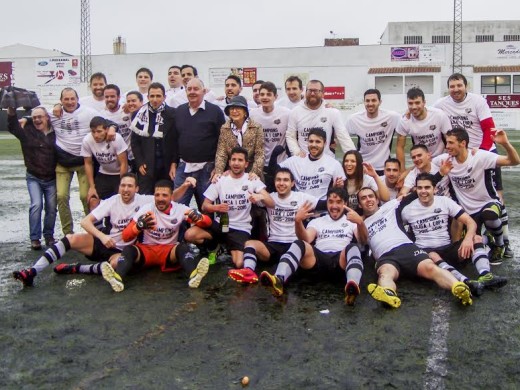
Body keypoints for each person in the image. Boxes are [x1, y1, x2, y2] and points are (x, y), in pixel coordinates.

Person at [12, 173, 151, 286]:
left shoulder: (144, 200)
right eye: (123, 185)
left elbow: (170, 197)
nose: (126, 189)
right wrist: (102, 237)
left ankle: (77, 268)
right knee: (71, 239)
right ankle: (32, 272)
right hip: (106, 242)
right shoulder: (113, 200)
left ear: (137, 189)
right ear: (119, 187)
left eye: (130, 186)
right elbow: (85, 222)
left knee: (115, 265)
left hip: (124, 251)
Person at [434, 72, 512, 257]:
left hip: (482, 153)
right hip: (460, 155)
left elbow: (489, 128)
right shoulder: (441, 104)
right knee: (462, 194)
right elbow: (428, 114)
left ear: (466, 86)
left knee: (496, 196)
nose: (456, 89)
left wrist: (481, 151)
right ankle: (474, 235)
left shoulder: (478, 101)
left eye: (459, 85)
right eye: (452, 86)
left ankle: (505, 242)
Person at [358, 187, 473, 308]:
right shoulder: (359, 223)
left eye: (370, 196)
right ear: (360, 205)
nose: (368, 200)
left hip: (405, 247)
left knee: (430, 267)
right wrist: (360, 223)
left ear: (377, 200)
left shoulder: (390, 206)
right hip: (385, 256)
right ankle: (389, 294)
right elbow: (362, 241)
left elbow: (413, 194)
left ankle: (458, 287)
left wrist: (439, 174)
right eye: (363, 198)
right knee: (385, 274)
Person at [400, 173, 507, 296]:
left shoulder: (445, 202)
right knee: (433, 255)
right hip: (426, 254)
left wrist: (467, 239)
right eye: (420, 188)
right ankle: (466, 282)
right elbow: (397, 230)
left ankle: (485, 275)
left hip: (447, 248)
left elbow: (470, 222)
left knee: (476, 238)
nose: (423, 191)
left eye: (427, 187)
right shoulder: (408, 210)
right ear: (415, 189)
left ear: (434, 189)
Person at [260, 187, 367, 306]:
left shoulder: (351, 220)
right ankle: (279, 279)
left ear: (345, 204)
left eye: (338, 202)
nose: (334, 206)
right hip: (319, 260)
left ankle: (352, 286)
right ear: (326, 203)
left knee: (353, 247)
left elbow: (363, 241)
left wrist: (360, 223)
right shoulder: (318, 221)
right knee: (299, 244)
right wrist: (298, 222)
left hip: (340, 261)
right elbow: (306, 238)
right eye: (330, 202)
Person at [100, 179, 213, 292]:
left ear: (171, 196)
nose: (160, 199)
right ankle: (117, 278)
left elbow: (208, 222)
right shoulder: (146, 209)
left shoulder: (179, 209)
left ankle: (194, 275)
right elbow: (125, 236)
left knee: (183, 248)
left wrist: (199, 218)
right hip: (147, 250)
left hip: (168, 251)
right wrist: (138, 227)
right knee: (129, 249)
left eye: (164, 195)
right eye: (157, 195)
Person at [433, 127, 520, 263]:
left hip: (488, 203)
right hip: (468, 212)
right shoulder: (445, 160)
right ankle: (488, 239)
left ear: (463, 143)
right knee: (468, 246)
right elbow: (423, 164)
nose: (447, 146)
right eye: (447, 142)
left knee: (489, 215)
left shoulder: (479, 156)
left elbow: (514, 161)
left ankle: (499, 244)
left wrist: (505, 143)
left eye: (451, 143)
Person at [185, 147, 273, 267]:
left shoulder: (252, 180)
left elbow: (272, 203)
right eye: (233, 159)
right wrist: (217, 208)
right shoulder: (221, 179)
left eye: (240, 160)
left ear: (246, 164)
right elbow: (205, 206)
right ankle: (214, 247)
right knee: (189, 235)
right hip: (221, 224)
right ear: (229, 162)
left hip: (240, 228)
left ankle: (226, 248)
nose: (236, 163)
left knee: (239, 263)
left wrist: (260, 197)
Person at [227, 168, 318, 284]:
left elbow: (325, 204)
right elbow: (244, 193)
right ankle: (248, 272)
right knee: (250, 244)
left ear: (292, 183)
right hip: (274, 244)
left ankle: (280, 279)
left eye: (286, 180)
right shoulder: (270, 197)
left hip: (294, 244)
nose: (281, 183)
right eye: (278, 180)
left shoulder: (302, 197)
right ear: (274, 182)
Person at [51, 87, 106, 235]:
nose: (69, 102)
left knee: (85, 196)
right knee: (61, 196)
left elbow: (105, 123)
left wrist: (112, 128)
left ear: (77, 99)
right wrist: (25, 119)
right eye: (66, 99)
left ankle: (92, 230)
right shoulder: (54, 114)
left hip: (83, 162)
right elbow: (37, 116)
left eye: (72, 99)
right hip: (63, 163)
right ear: (61, 101)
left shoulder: (88, 112)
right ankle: (68, 233)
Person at [166, 78, 225, 208]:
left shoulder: (215, 111)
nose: (192, 92)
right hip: (183, 169)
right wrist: (173, 163)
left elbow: (223, 142)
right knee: (177, 208)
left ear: (203, 91)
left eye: (196, 89)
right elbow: (174, 140)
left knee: (207, 210)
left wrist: (218, 166)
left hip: (208, 170)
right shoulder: (179, 111)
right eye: (189, 89)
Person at [7, 106, 57, 249]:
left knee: (52, 208)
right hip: (34, 176)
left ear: (47, 117)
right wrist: (11, 112)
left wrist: (27, 118)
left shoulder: (56, 132)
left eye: (40, 117)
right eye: (34, 117)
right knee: (36, 205)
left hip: (52, 177)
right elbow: (13, 127)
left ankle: (49, 236)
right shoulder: (27, 132)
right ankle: (35, 239)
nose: (37, 120)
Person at [286, 79, 355, 157]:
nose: (312, 93)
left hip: (327, 160)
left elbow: (344, 137)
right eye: (309, 90)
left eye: (316, 91)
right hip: (303, 161)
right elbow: (290, 136)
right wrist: (297, 152)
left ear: (322, 94)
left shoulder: (332, 112)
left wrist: (354, 157)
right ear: (305, 92)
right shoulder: (295, 112)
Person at [280, 128, 345, 209]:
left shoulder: (334, 164)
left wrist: (337, 187)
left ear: (325, 143)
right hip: (298, 209)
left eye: (318, 142)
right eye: (311, 141)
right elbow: (275, 171)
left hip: (322, 210)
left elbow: (341, 192)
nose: (314, 145)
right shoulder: (296, 160)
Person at [130, 82, 176, 194]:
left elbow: (176, 141)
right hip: (146, 165)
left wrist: (174, 163)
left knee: (165, 197)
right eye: (152, 96)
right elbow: (135, 142)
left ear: (164, 97)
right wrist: (139, 162)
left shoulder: (172, 113)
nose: (155, 99)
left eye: (158, 96)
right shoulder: (139, 114)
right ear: (148, 97)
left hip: (166, 164)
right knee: (145, 198)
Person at [346, 89, 400, 175]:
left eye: (374, 100)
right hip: (363, 166)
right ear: (364, 102)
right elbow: (343, 139)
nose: (370, 104)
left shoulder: (392, 117)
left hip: (384, 167)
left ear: (380, 102)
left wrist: (409, 113)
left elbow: (407, 124)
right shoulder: (354, 119)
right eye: (367, 101)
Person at [396, 87, 452, 170]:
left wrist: (450, 158)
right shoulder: (405, 121)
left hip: (441, 158)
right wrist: (401, 170)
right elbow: (399, 147)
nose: (414, 107)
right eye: (410, 103)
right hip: (421, 161)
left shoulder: (439, 115)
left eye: (417, 103)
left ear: (424, 102)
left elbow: (450, 139)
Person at [249, 81, 291, 191]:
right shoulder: (253, 114)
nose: (265, 97)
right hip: (261, 164)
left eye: (269, 94)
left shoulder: (286, 113)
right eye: (262, 94)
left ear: (275, 97)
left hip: (281, 163)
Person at [213, 95, 265, 180]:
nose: (234, 111)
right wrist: (218, 172)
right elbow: (221, 153)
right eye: (232, 109)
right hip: (232, 172)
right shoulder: (225, 128)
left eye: (238, 108)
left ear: (245, 112)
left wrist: (254, 172)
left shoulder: (256, 127)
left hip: (252, 172)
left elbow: (260, 153)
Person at [81, 116, 128, 201]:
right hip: (104, 172)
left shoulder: (116, 138)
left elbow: (124, 163)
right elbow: (88, 163)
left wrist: (122, 184)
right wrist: (92, 187)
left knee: (119, 200)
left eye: (99, 132)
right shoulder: (87, 140)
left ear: (106, 130)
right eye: (93, 132)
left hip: (119, 173)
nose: (96, 135)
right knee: (93, 199)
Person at [101, 85, 138, 172]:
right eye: (107, 97)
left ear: (119, 97)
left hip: (132, 156)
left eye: (112, 96)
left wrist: (131, 107)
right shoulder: (101, 115)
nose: (109, 99)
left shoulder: (127, 110)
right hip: (114, 159)